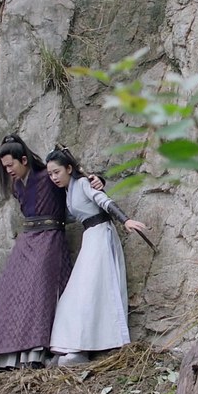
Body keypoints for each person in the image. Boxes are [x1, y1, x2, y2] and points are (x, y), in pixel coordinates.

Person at [0, 134, 103, 370]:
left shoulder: (47, 177)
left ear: (23, 160)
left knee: (40, 292)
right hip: (27, 240)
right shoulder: (16, 186)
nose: (8, 170)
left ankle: (36, 353)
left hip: (50, 239)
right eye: (5, 167)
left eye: (11, 165)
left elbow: (74, 180)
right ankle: (9, 356)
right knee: (12, 292)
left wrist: (97, 180)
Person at [45, 149, 147, 365]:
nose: (54, 177)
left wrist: (125, 220)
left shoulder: (82, 183)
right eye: (50, 174)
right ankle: (71, 345)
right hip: (90, 237)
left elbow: (103, 200)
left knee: (90, 290)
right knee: (79, 291)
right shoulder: (68, 191)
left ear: (69, 169)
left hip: (101, 234)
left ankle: (82, 347)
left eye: (56, 172)